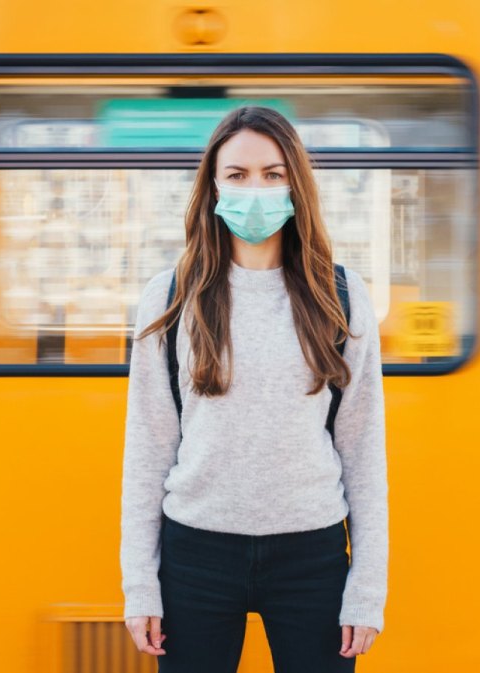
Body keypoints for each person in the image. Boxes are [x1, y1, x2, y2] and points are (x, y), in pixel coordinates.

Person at [119, 105, 388, 673]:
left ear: (296, 184)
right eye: (237, 175)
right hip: (196, 553)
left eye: (273, 174)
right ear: (213, 188)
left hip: (312, 554)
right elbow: (147, 449)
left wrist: (367, 586)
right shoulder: (170, 297)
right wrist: (140, 583)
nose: (256, 191)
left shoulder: (340, 295)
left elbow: (363, 450)